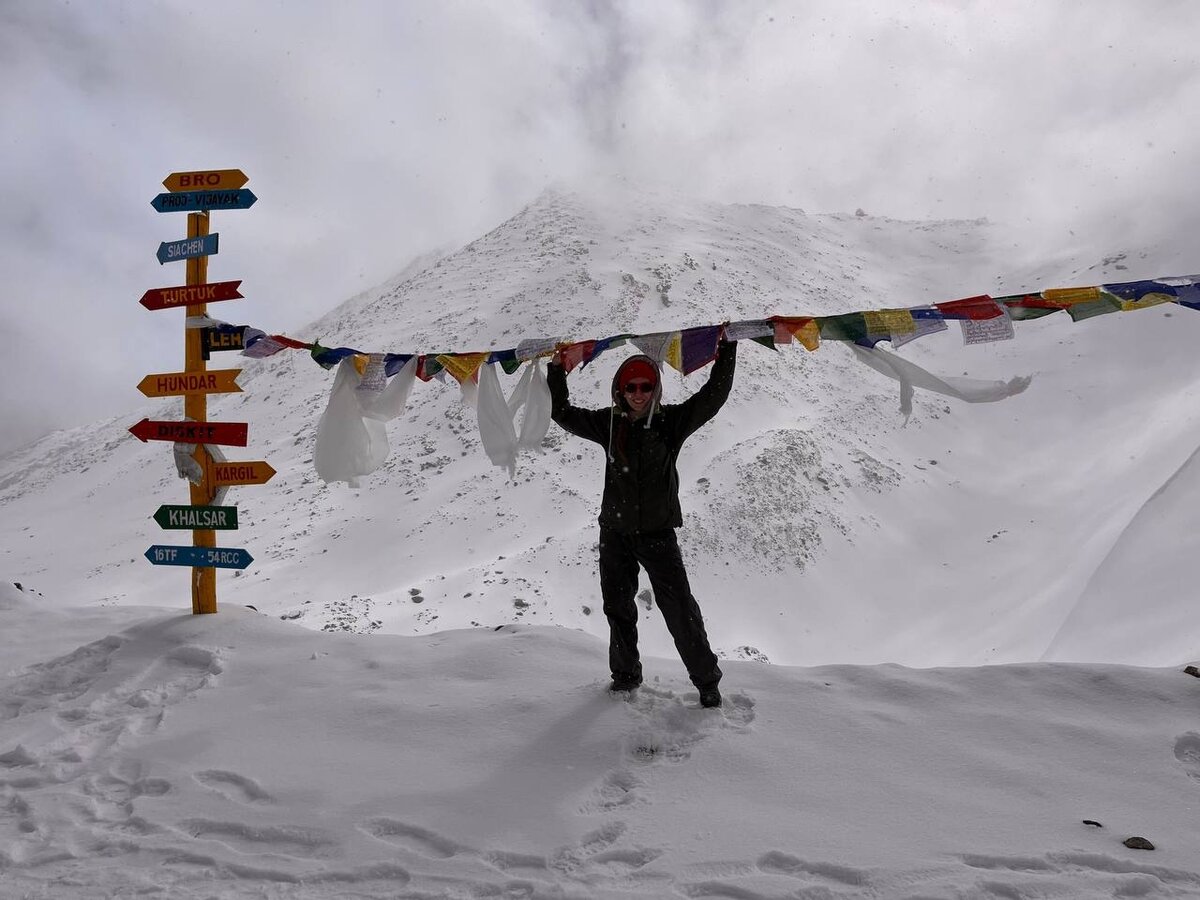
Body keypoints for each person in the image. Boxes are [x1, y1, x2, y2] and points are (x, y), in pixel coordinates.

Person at [547, 338, 737, 708]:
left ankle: (707, 682)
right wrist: (557, 370)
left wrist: (726, 349)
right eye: (630, 387)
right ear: (620, 389)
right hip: (614, 534)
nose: (637, 393)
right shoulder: (609, 424)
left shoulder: (671, 423)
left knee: (680, 609)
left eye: (645, 386)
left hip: (658, 535)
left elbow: (713, 396)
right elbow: (561, 412)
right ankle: (625, 676)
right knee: (617, 608)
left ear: (656, 389)